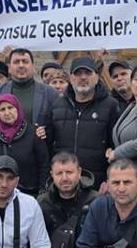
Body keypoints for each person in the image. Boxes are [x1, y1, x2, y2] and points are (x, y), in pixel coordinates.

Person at [48, 57, 121, 186]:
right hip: (63, 183)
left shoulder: (111, 106)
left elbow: (115, 147)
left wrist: (109, 180)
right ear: (71, 78)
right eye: (78, 73)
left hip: (98, 184)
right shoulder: (57, 106)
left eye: (88, 73)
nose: (83, 77)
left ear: (97, 77)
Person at [0, 93, 50, 194]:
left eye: (10, 107)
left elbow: (44, 164)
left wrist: (43, 190)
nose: (7, 113)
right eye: (2, 110)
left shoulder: (34, 132)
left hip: (29, 193)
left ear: (17, 108)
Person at [0, 48, 56, 133]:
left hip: (38, 145)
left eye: (25, 61)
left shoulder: (49, 92)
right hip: (5, 145)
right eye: (16, 62)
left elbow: (57, 128)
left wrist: (46, 132)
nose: (21, 65)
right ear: (9, 67)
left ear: (33, 66)